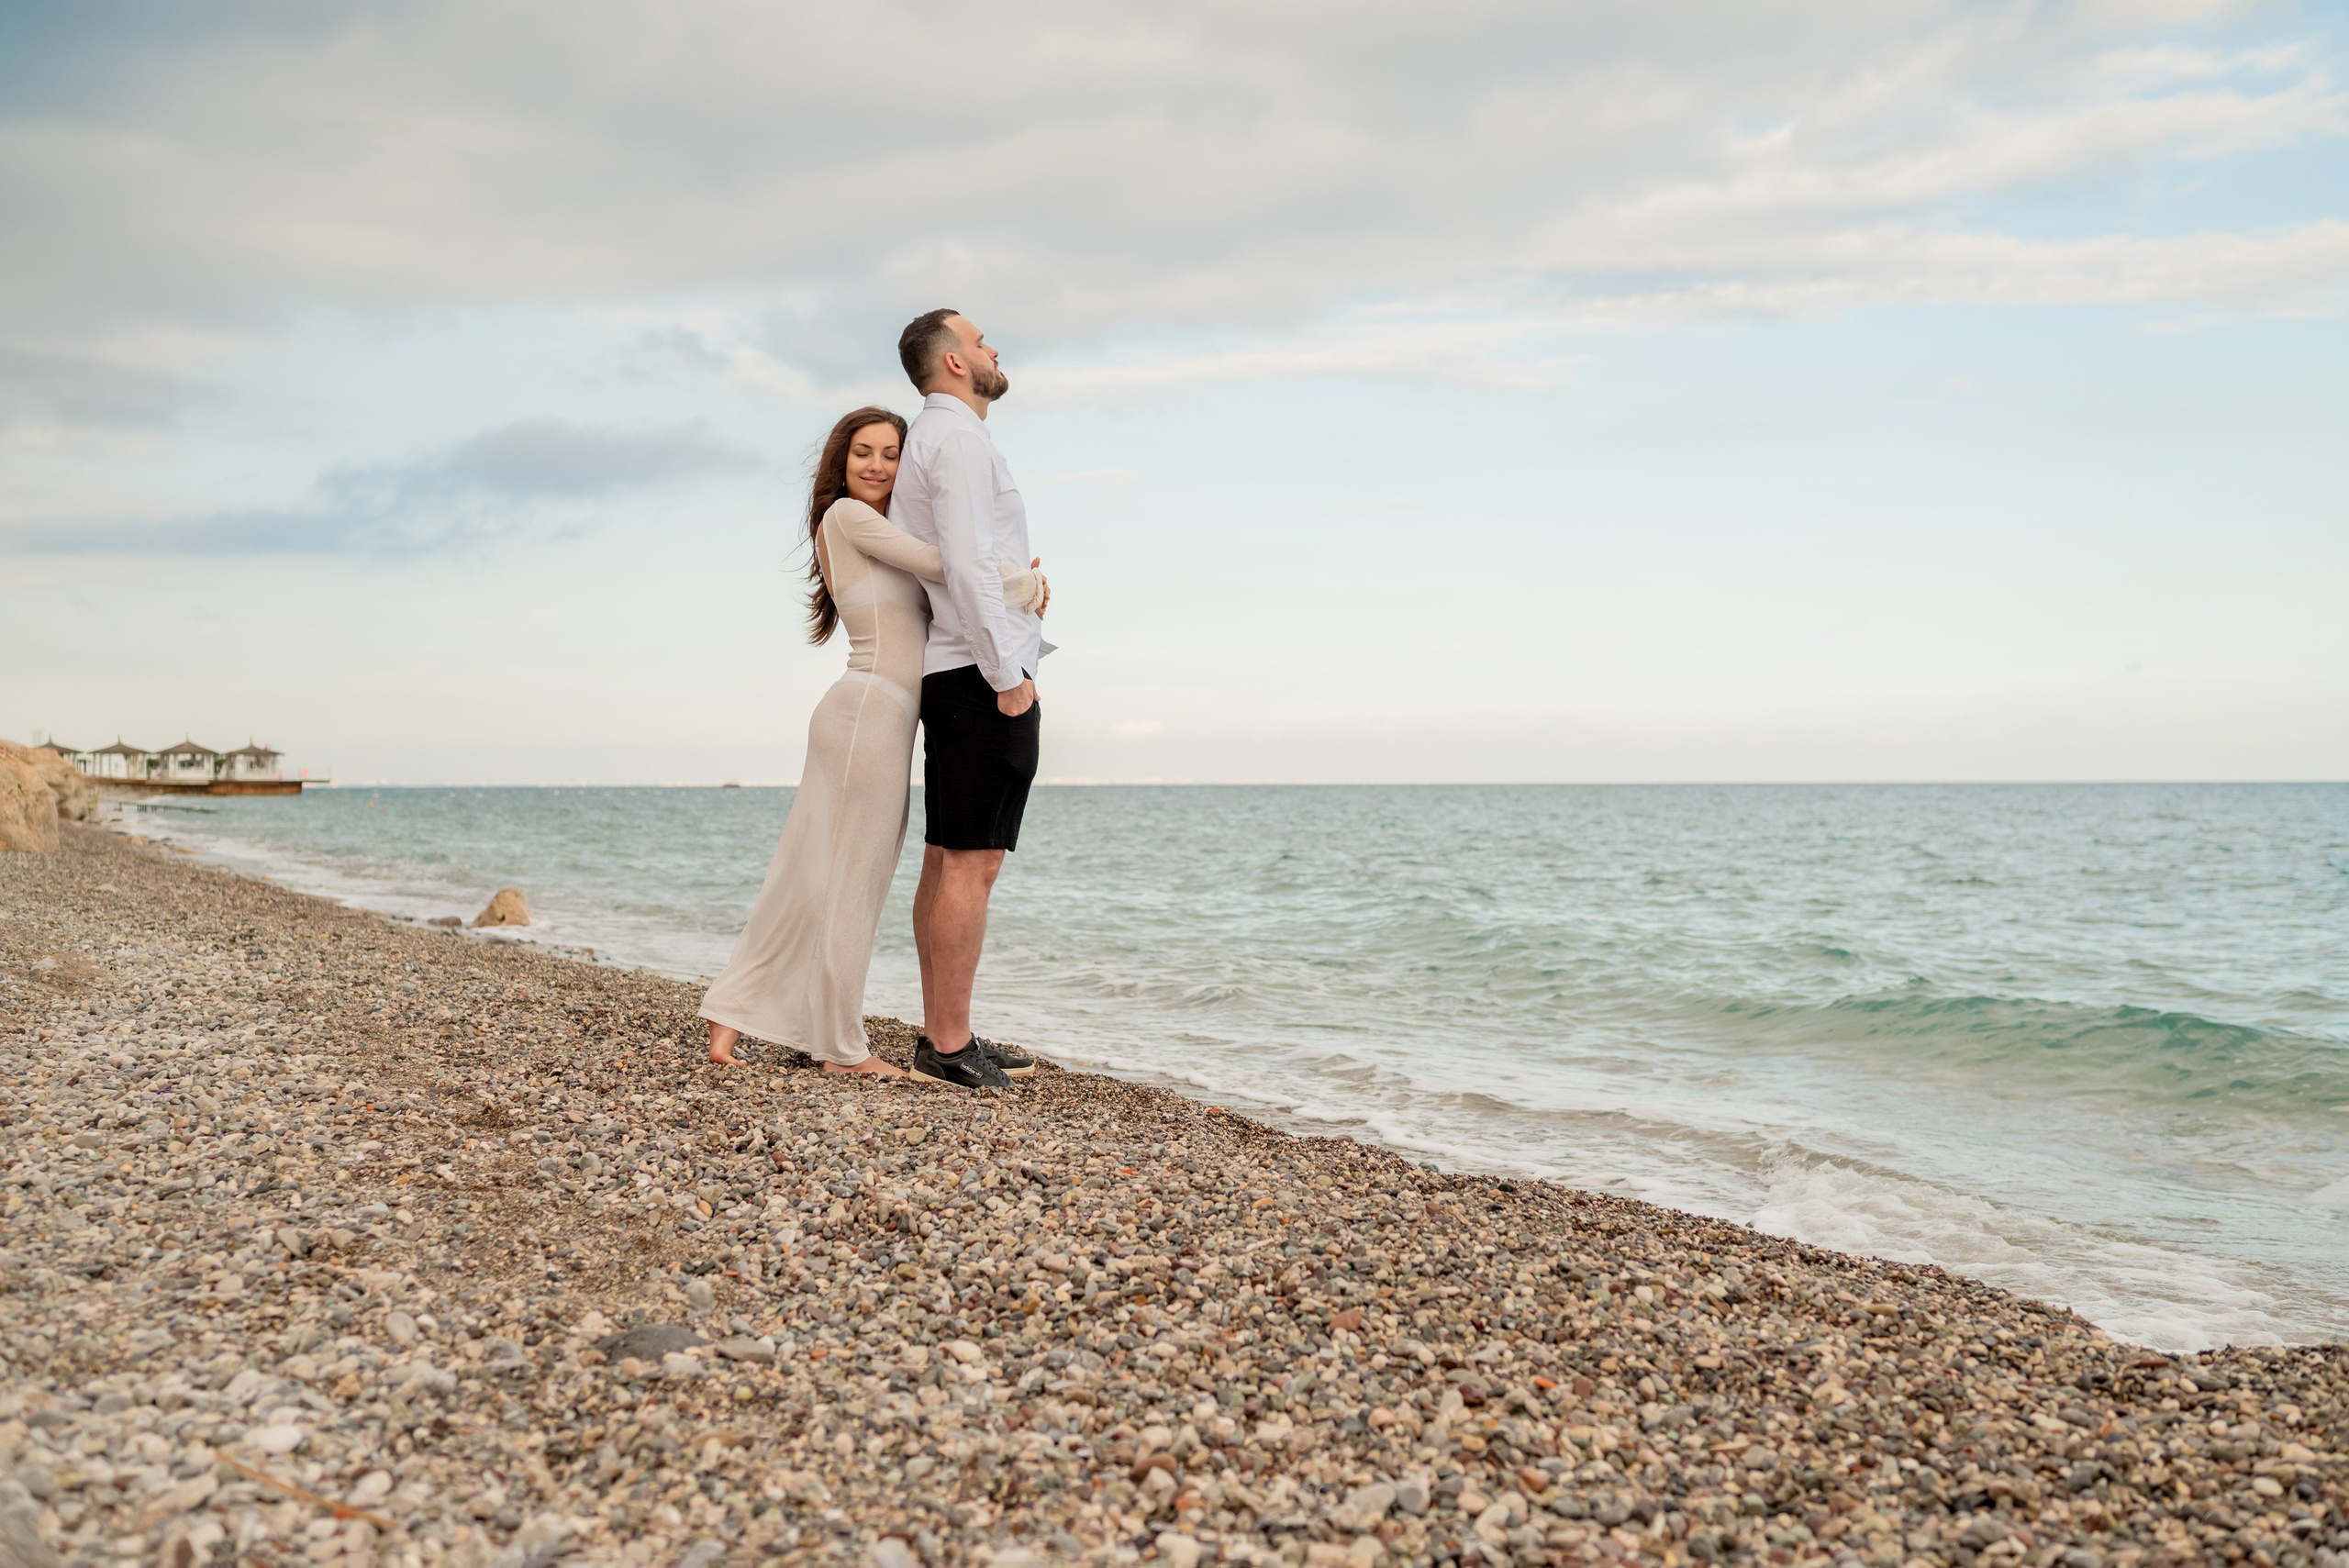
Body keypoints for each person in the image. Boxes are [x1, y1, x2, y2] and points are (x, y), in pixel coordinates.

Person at [698, 406, 1046, 1072]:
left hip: (877, 719)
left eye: (892, 454)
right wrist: (1023, 582)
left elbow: (951, 586)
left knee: (815, 873)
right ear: (842, 460)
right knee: (854, 882)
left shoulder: (883, 531)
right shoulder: (847, 518)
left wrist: (1011, 596)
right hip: (866, 716)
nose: (879, 465)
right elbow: (950, 565)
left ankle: (731, 1015)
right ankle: (839, 1047)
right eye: (865, 452)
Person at [888, 309, 1053, 1089]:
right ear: (954, 362)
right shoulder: (955, 439)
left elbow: (974, 561)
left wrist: (1022, 593)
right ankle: (949, 1045)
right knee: (971, 863)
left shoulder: (942, 436)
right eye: (981, 341)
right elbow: (964, 564)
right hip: (977, 675)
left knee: (948, 855)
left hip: (958, 668)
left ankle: (943, 1030)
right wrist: (1006, 675)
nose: (992, 350)